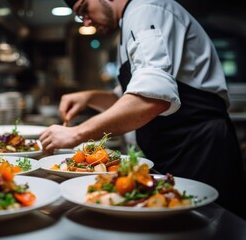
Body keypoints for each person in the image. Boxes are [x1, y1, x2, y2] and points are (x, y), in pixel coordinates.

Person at [39, 0, 246, 219]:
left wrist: (77, 133)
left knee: (211, 226)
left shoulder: (147, 9)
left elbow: (150, 101)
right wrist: (89, 97)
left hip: (200, 150)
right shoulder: (130, 19)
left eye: (84, 10)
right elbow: (128, 101)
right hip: (173, 149)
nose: (86, 20)